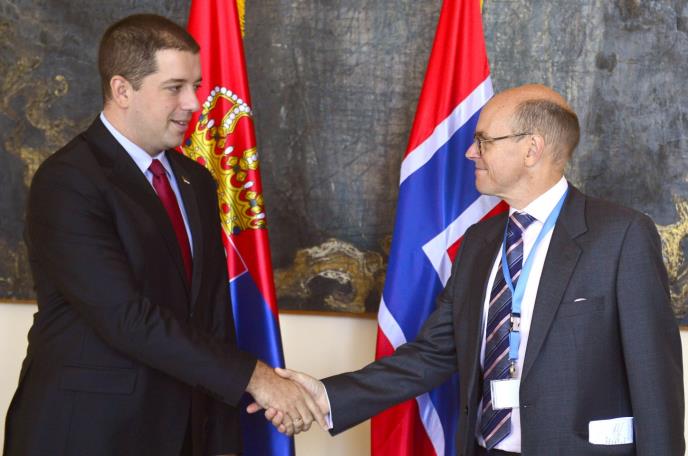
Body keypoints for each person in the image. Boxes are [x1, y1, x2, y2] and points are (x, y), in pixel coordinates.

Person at [254, 84, 685, 455]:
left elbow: (655, 377)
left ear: (531, 149)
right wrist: (326, 395)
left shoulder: (621, 235)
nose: (469, 152)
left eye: (483, 141)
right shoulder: (480, 241)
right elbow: (431, 354)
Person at [4, 14, 323, 456]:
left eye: (196, 85)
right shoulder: (68, 181)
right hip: (87, 433)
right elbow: (127, 317)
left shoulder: (196, 180)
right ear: (122, 90)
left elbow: (212, 316)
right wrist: (256, 378)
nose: (194, 103)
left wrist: (224, 436)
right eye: (175, 87)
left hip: (184, 432)